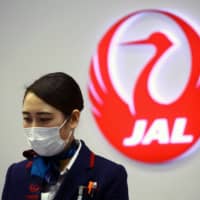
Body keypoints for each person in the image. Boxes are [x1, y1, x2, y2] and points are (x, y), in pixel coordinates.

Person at [2, 72, 129, 200]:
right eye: (27, 119)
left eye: (44, 119)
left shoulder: (108, 175)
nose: (34, 128)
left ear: (73, 119)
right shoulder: (16, 173)